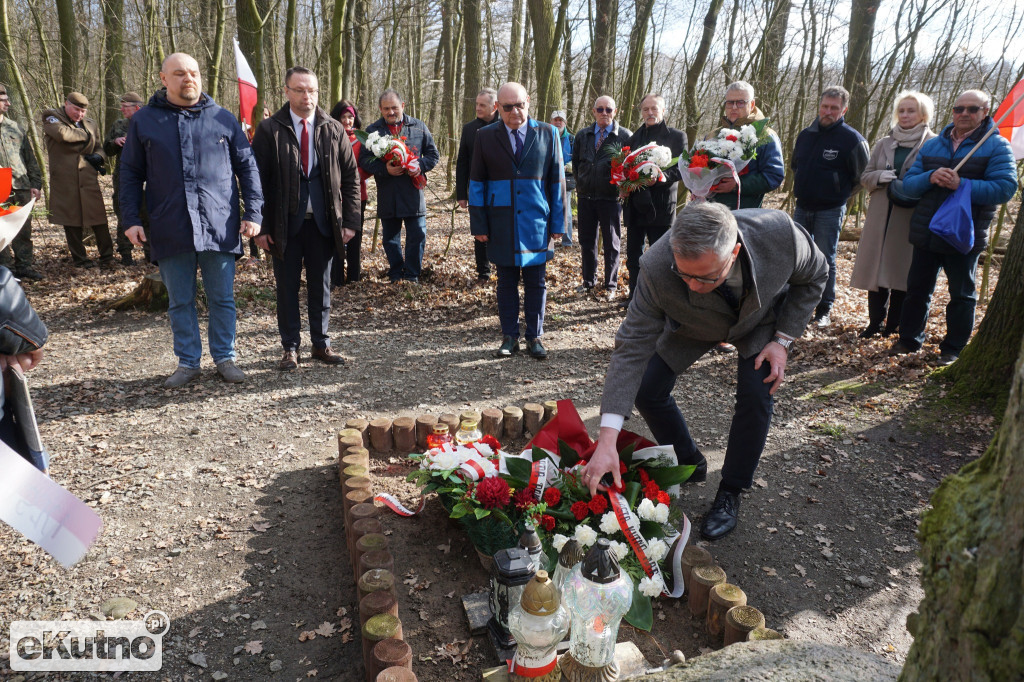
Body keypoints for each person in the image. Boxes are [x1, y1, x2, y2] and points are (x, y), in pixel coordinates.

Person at [581, 202, 827, 541]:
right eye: (685, 275)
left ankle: (730, 491)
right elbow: (632, 346)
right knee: (647, 387)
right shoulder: (655, 267)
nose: (694, 284)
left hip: (759, 323)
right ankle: (689, 461)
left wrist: (783, 340)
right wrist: (607, 440)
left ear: (735, 251)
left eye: (707, 276)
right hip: (692, 324)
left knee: (758, 394)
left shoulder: (779, 233)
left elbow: (816, 275)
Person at [119, 52, 263, 388]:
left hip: (220, 225)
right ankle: (188, 362)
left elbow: (248, 168)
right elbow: (129, 174)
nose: (189, 79)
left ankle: (225, 358)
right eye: (180, 73)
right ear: (163, 78)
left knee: (222, 298)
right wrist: (130, 219)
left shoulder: (223, 119)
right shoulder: (144, 121)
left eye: (194, 73)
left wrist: (253, 212)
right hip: (170, 225)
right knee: (180, 300)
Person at [890, 89, 1017, 366]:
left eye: (973, 109)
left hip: (964, 233)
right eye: (959, 109)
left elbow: (1006, 188)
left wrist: (964, 185)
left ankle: (953, 349)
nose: (964, 114)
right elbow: (908, 184)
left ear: (986, 112)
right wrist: (931, 177)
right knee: (917, 290)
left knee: (962, 294)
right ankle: (909, 340)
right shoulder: (934, 145)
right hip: (927, 229)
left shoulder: (997, 146)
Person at [252, 67, 360, 371]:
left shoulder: (333, 129)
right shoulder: (269, 129)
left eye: (311, 90)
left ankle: (321, 343)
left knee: (321, 286)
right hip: (284, 225)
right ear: (286, 91)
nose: (306, 96)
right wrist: (260, 225)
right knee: (286, 288)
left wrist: (350, 221)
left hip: (324, 224)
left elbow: (351, 179)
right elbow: (255, 180)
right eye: (299, 90)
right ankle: (290, 347)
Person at [469, 82, 564, 360]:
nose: (515, 112)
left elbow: (556, 181)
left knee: (537, 282)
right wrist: (479, 224)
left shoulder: (548, 133)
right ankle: (509, 336)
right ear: (498, 107)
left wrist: (559, 223)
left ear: (528, 102)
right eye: (507, 107)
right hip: (501, 221)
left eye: (519, 105)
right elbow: (477, 183)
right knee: (506, 282)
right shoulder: (485, 136)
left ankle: (535, 336)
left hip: (537, 221)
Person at [849, 91, 936, 338]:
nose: (905, 115)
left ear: (923, 114)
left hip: (910, 215)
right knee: (876, 269)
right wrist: (879, 177)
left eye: (911, 111)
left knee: (900, 270)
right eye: (902, 110)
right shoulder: (884, 143)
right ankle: (874, 322)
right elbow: (865, 176)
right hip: (880, 213)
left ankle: (893, 325)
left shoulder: (933, 143)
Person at [791, 85, 869, 327]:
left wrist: (838, 195)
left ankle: (824, 309)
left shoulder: (852, 139)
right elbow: (796, 166)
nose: (828, 112)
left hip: (830, 210)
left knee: (826, 259)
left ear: (843, 110)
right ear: (819, 106)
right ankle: (792, 304)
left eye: (834, 108)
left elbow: (862, 177)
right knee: (796, 256)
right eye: (825, 106)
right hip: (802, 206)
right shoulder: (805, 134)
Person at [359, 88, 439, 284]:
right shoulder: (372, 132)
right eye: (386, 108)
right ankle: (396, 273)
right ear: (380, 109)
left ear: (402, 106)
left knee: (417, 235)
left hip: (413, 191)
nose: (391, 112)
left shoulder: (418, 126)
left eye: (394, 107)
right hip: (388, 193)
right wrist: (385, 168)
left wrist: (418, 166)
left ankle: (412, 275)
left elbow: (433, 155)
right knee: (390, 238)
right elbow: (364, 160)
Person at [623, 94, 686, 303]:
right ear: (641, 112)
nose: (650, 113)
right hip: (635, 206)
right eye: (646, 109)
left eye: (654, 109)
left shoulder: (677, 137)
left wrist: (659, 178)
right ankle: (635, 298)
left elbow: (681, 170)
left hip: (661, 207)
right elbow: (624, 171)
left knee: (662, 257)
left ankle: (661, 301)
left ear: (663, 110)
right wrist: (623, 186)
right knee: (634, 257)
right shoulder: (632, 139)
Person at [41, 92, 116, 269]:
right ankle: (81, 260)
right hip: (65, 180)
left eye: (83, 111)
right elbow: (63, 135)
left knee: (99, 218)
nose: (80, 114)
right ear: (66, 104)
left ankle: (107, 257)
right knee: (71, 221)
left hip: (88, 176)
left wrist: (98, 157)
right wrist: (87, 135)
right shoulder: (51, 117)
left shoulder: (90, 123)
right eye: (76, 109)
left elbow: (99, 147)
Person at [573, 95, 631, 301]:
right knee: (587, 241)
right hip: (586, 197)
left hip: (611, 199)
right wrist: (581, 185)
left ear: (615, 112)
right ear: (593, 111)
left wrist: (622, 189)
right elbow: (576, 163)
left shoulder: (624, 136)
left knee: (612, 243)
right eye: (600, 109)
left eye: (608, 109)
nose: (604, 113)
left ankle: (611, 284)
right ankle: (588, 282)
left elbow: (631, 168)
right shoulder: (583, 135)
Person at [707, 81, 784, 210]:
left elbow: (774, 176)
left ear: (752, 104)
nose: (734, 107)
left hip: (745, 213)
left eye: (741, 102)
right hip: (711, 210)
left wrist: (737, 185)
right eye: (730, 102)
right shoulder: (713, 135)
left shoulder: (765, 135)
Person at [0, 85, 44, 280]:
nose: (8, 103)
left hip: (20, 183)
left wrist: (36, 183)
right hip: (1, 184)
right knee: (1, 229)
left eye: (8, 99)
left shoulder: (15, 127)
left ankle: (24, 266)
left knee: (23, 229)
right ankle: (5, 270)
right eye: (3, 99)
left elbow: (29, 157)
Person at [456, 88, 499, 285]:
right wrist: (461, 194)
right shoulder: (469, 128)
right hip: (476, 188)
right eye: (477, 104)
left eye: (482, 105)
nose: (478, 108)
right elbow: (462, 162)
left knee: (503, 229)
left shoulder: (505, 124)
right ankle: (483, 272)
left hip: (500, 188)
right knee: (480, 232)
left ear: (494, 106)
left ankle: (506, 268)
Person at [104, 91, 150, 265]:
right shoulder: (119, 124)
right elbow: (107, 149)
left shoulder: (149, 123)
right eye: (121, 106)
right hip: (122, 176)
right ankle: (125, 254)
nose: (122, 109)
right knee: (124, 211)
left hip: (147, 176)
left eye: (125, 107)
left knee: (147, 212)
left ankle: (150, 253)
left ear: (137, 108)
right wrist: (115, 142)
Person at [329, 99, 371, 286]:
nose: (347, 121)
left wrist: (352, 180)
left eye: (350, 117)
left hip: (356, 195)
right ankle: (335, 278)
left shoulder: (362, 140)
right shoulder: (329, 136)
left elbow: (368, 167)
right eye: (343, 117)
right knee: (335, 236)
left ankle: (354, 276)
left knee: (355, 236)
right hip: (333, 196)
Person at [550, 109, 575, 247]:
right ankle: (550, 240)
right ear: (551, 122)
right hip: (547, 179)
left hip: (566, 178)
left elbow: (577, 159)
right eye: (556, 120)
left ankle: (567, 242)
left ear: (565, 123)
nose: (558, 122)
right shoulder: (546, 135)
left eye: (561, 120)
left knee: (567, 212)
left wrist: (566, 167)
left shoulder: (572, 139)